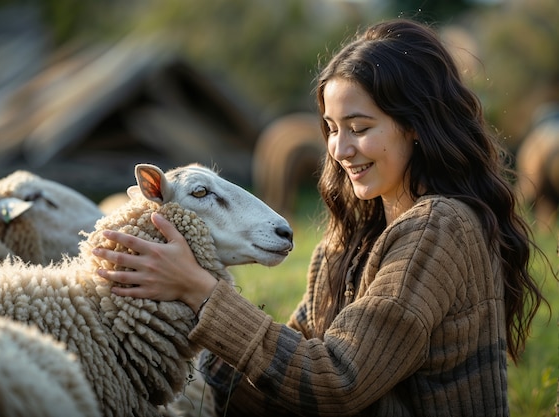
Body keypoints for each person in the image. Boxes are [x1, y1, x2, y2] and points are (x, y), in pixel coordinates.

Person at [92, 18, 549, 416]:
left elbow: (337, 382)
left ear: (414, 125)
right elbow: (287, 372)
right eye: (331, 129)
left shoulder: (440, 227)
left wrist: (199, 291)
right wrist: (147, 356)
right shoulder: (348, 240)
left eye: (360, 128)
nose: (340, 149)